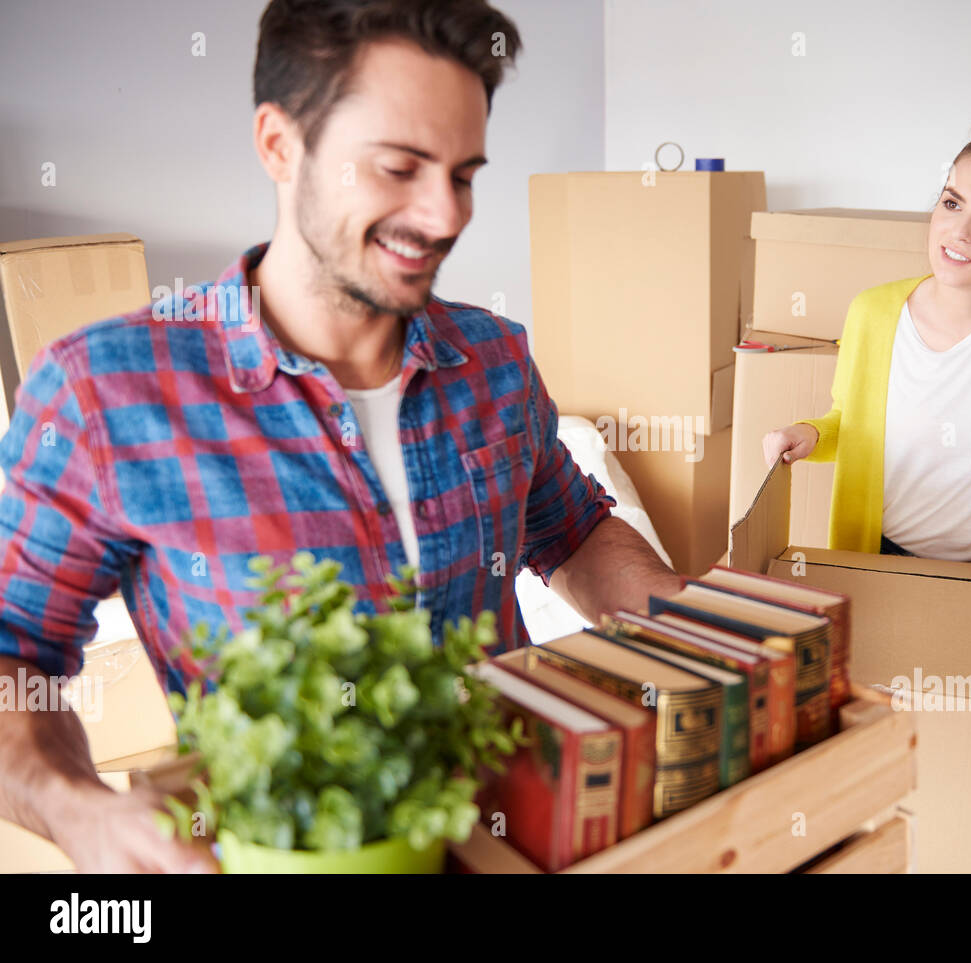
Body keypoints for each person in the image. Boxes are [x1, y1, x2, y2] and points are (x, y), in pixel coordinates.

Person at [0, 0, 681, 873]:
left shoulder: (495, 360)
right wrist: (78, 810)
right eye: (400, 167)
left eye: (464, 174)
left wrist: (715, 641)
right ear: (280, 145)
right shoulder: (104, 394)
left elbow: (575, 533)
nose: (444, 216)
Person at [764, 94, 971, 596]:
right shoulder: (873, 312)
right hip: (877, 560)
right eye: (951, 203)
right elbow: (853, 425)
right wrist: (810, 435)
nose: (958, 232)